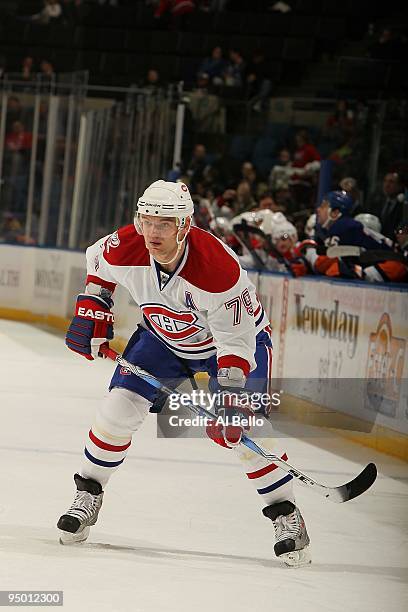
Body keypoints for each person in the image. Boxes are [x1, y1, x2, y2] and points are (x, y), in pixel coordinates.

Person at [57, 180, 311, 567]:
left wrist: (229, 396)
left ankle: (286, 515)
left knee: (246, 431)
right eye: (147, 221)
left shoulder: (217, 268)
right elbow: (96, 260)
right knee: (117, 411)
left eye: (165, 223)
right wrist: (96, 300)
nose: (153, 232)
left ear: (185, 224)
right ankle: (88, 494)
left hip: (231, 346)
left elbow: (235, 341)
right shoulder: (128, 243)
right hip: (163, 339)